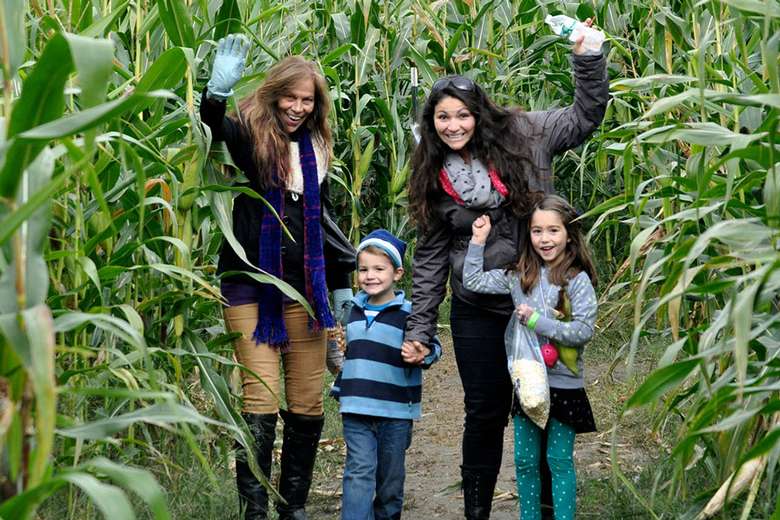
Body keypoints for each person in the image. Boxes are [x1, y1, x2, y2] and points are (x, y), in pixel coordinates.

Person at [403, 23, 608, 519]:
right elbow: (431, 257)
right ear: (431, 123)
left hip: (538, 301)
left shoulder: (526, 134)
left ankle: (543, 510)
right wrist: (421, 327)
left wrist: (589, 58)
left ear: (480, 113)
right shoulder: (433, 170)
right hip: (477, 307)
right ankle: (477, 513)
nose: (453, 126)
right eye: (442, 118)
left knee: (544, 409)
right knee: (485, 413)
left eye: (462, 115)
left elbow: (584, 116)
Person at [200, 34, 356, 520]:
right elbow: (213, 126)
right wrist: (215, 93)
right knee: (261, 397)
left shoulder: (317, 151)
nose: (297, 107)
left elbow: (324, 220)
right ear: (273, 95)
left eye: (307, 100)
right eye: (290, 97)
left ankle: (293, 508)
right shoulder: (251, 138)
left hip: (306, 296)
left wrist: (341, 281)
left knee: (308, 403)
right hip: (251, 290)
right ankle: (255, 511)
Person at [464, 195, 598, 520]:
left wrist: (538, 321)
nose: (545, 239)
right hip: (528, 386)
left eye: (553, 230)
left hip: (564, 385)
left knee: (558, 460)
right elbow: (473, 280)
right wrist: (477, 241)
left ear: (569, 233)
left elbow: (583, 330)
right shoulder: (520, 275)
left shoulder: (576, 281)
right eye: (537, 231)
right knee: (524, 462)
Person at [331, 229, 442, 520]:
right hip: (356, 408)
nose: (370, 275)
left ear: (397, 273)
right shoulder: (350, 311)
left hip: (395, 412)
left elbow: (433, 348)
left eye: (379, 268)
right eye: (363, 269)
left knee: (390, 480)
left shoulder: (411, 314)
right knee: (358, 472)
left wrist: (422, 353)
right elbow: (347, 352)